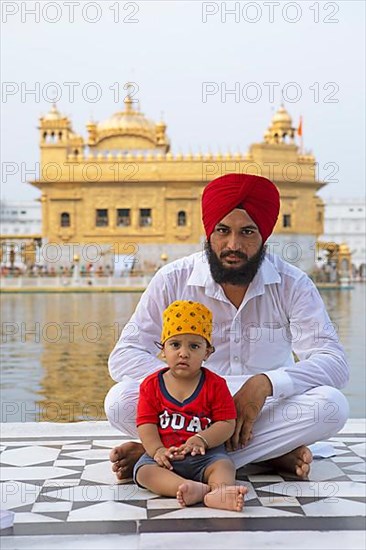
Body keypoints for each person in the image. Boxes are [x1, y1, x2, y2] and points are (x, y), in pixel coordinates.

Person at [106, 173, 349, 481]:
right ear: (209, 232)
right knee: (118, 401)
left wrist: (264, 384)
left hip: (262, 406)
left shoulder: (292, 284)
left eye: (247, 232)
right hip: (189, 409)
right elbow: (123, 356)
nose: (233, 245)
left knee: (331, 406)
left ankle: (164, 454)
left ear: (264, 235)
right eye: (223, 230)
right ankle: (268, 456)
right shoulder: (173, 279)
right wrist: (195, 386)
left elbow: (335, 363)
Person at [134, 299, 247, 511]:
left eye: (194, 346)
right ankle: (191, 488)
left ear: (207, 352)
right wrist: (157, 450)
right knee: (144, 472)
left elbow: (226, 422)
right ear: (163, 350)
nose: (183, 353)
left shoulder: (215, 385)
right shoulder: (151, 385)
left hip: (205, 456)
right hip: (167, 456)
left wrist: (202, 438)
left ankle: (219, 492)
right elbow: (146, 423)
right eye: (175, 345)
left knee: (224, 466)